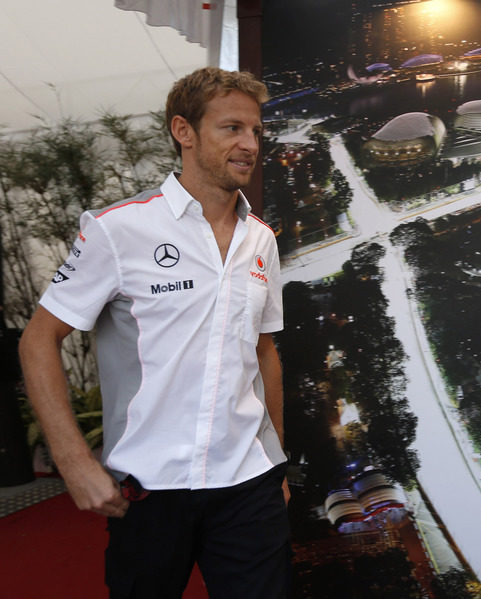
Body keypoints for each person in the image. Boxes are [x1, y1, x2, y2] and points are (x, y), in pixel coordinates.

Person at [18, 67, 291, 598]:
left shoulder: (261, 240)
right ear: (183, 131)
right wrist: (75, 465)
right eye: (231, 128)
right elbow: (38, 341)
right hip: (149, 489)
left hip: (247, 486)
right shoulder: (118, 229)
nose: (249, 144)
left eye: (256, 131)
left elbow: (264, 352)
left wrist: (276, 463)